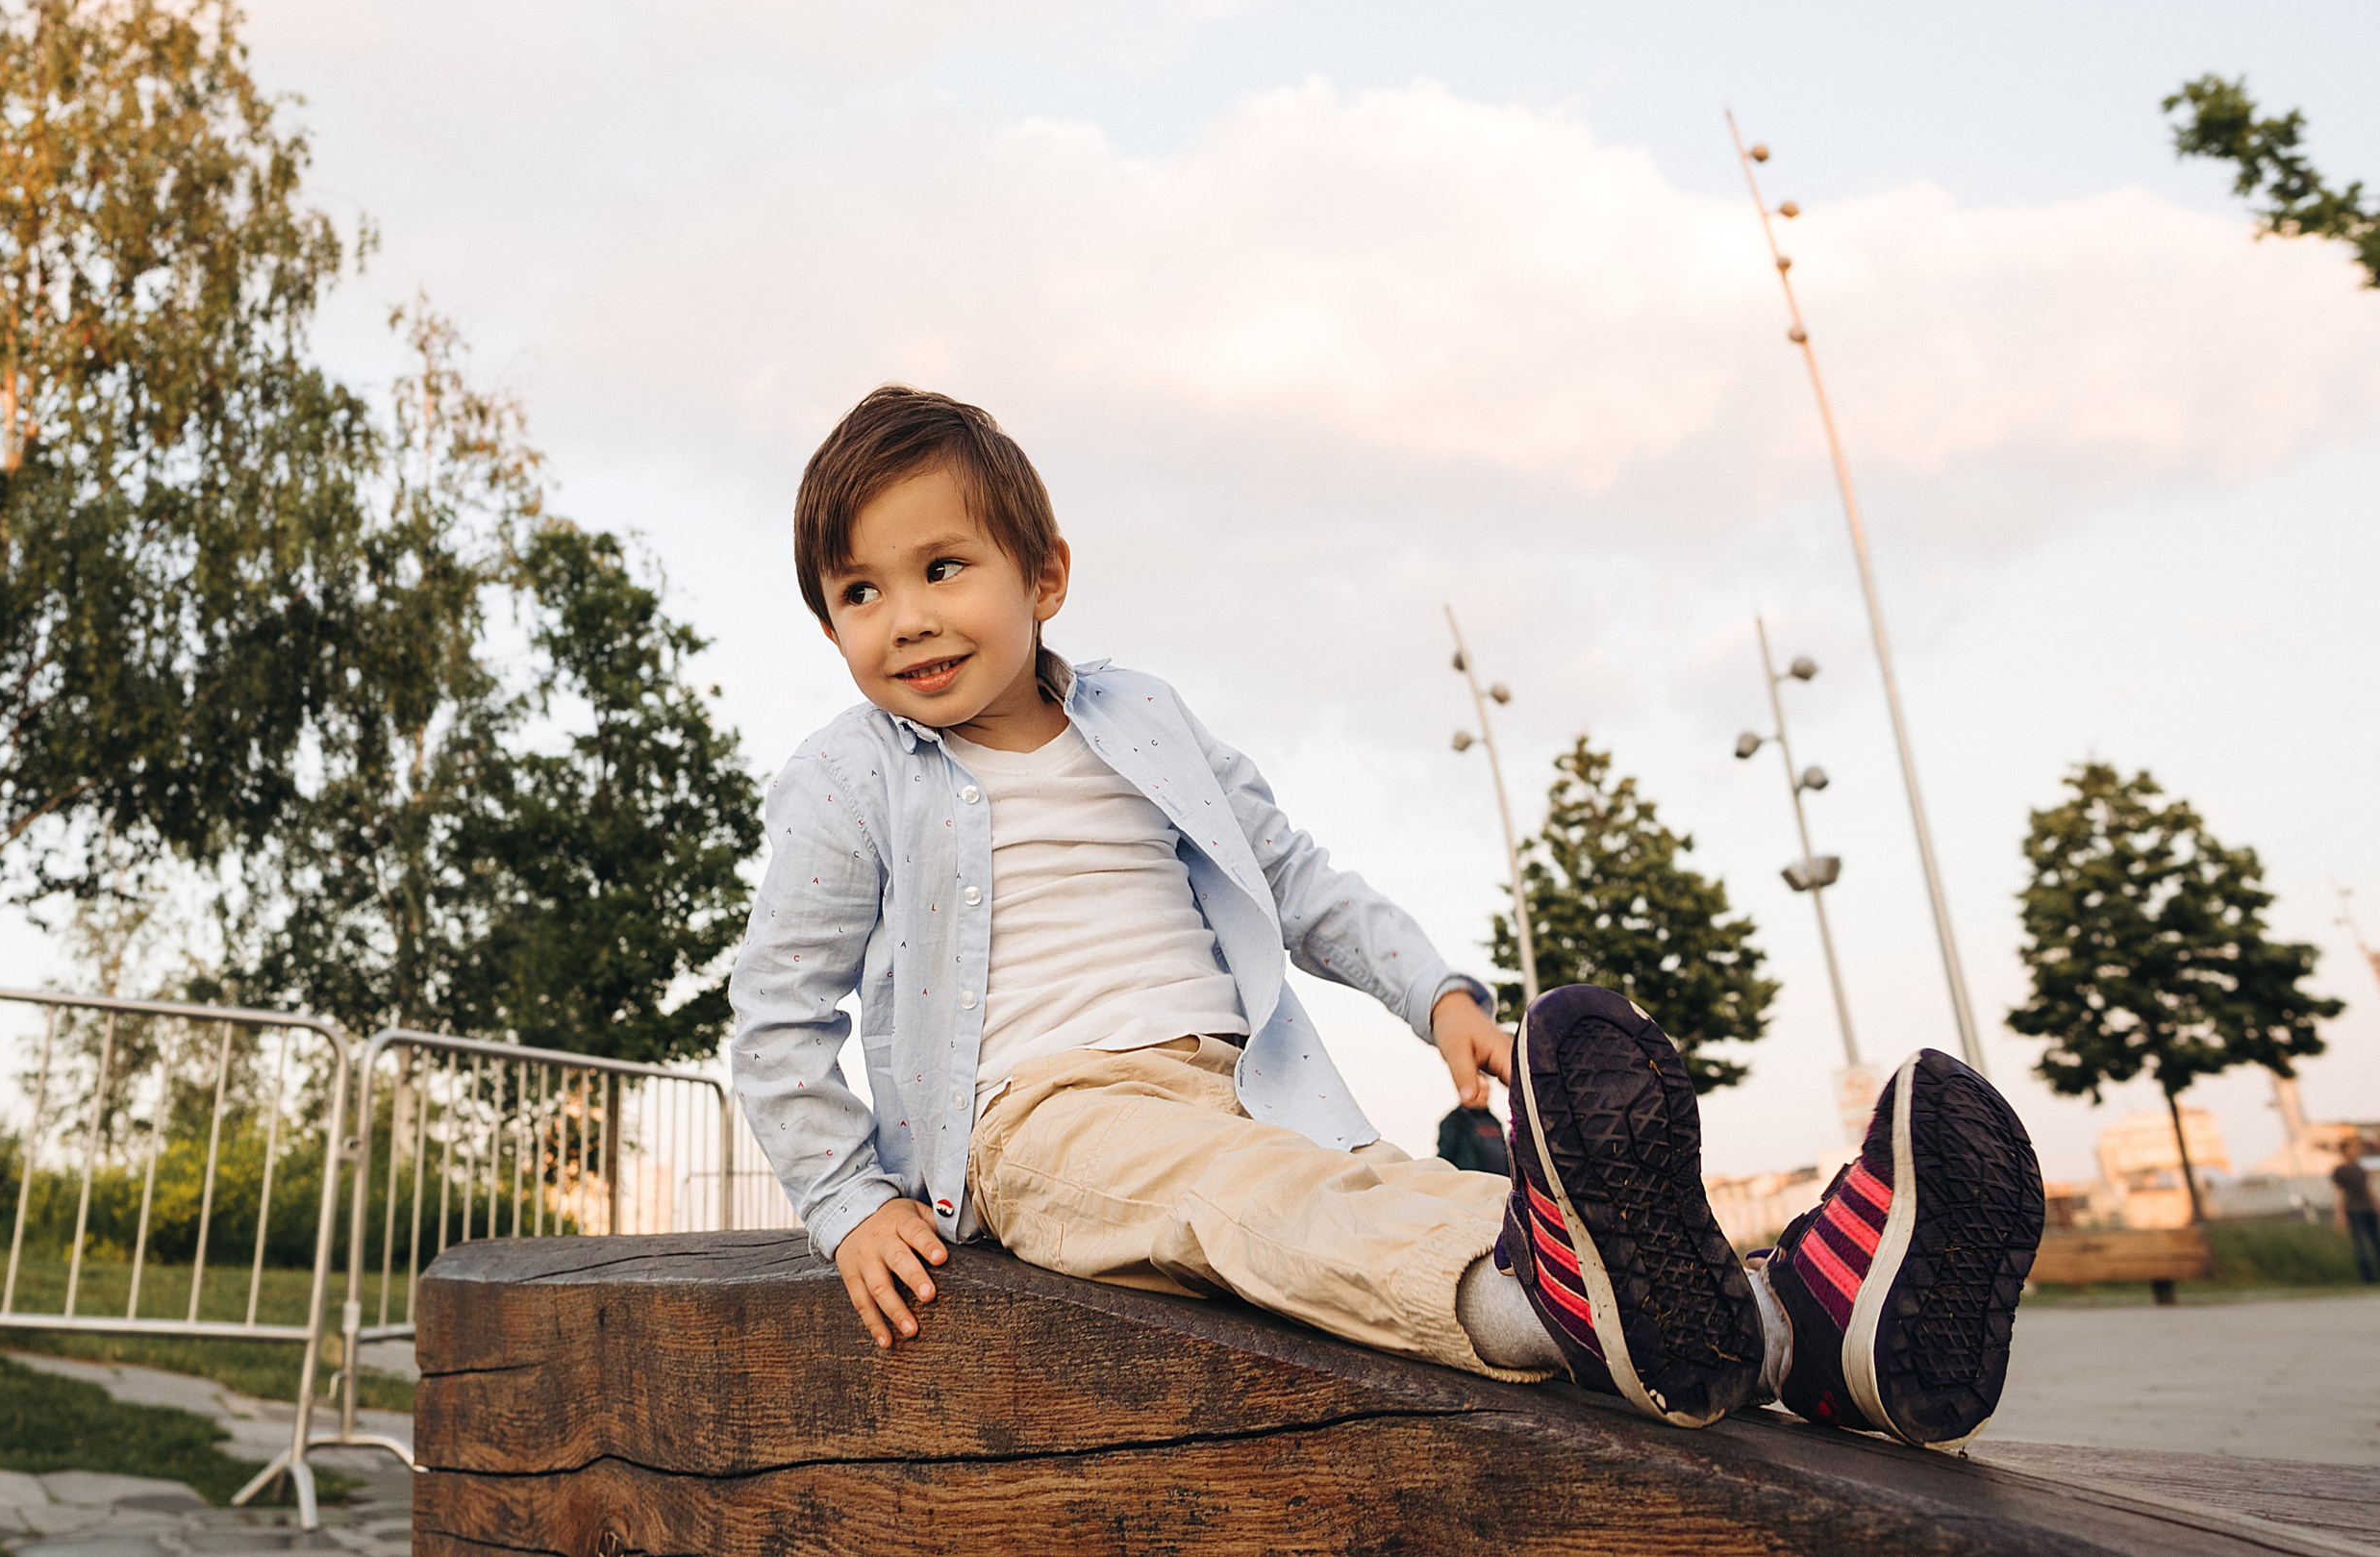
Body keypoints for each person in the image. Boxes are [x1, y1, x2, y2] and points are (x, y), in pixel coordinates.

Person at [728, 386, 2047, 1444]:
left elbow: (1296, 877)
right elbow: (777, 1011)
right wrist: (848, 1197)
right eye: (858, 592)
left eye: (941, 567)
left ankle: (1808, 1329)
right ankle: (1599, 1290)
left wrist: (1439, 995)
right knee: (1258, 1205)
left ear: (1045, 574)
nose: (904, 620)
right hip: (1041, 1118)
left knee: (1365, 1191)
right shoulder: (850, 777)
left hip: (1237, 1085)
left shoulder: (1144, 720)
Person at [2336, 1136, 2379, 1285]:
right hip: (2354, 1210)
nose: (2355, 1151)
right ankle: (2368, 1280)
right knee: (2361, 1245)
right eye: (2351, 1148)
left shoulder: (2360, 1169)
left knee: (2377, 1242)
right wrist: (2340, 1214)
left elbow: (2368, 1188)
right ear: (2344, 1151)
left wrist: (2376, 1205)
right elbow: (2338, 1192)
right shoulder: (2340, 1170)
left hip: (2369, 1208)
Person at [1438, 1102, 1511, 1177]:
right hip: (1474, 1183)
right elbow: (1444, 1160)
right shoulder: (1454, 1121)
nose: (1484, 1094)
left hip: (1501, 1182)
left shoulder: (1493, 1119)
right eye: (1479, 1090)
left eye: (1486, 1090)